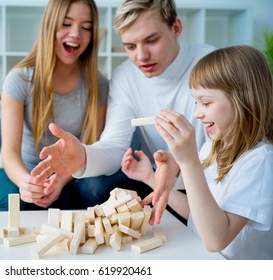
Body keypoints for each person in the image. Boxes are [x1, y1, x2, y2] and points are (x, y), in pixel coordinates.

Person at [31, 0, 215, 223]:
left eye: (152, 40)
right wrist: (83, 155)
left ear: (176, 28)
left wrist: (180, 169)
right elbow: (115, 145)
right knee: (92, 187)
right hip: (159, 179)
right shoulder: (125, 76)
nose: (141, 56)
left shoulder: (210, 64)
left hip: (208, 181)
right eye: (130, 46)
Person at [122, 45, 273, 259]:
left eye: (206, 102)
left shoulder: (261, 161)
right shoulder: (213, 147)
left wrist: (188, 161)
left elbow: (215, 240)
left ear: (243, 99)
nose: (196, 113)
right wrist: (150, 178)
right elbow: (198, 216)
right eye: (195, 102)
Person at [0, 0, 109, 211]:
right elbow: (9, 151)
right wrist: (26, 183)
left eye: (86, 27)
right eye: (66, 24)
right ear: (50, 26)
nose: (76, 34)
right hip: (15, 172)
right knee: (19, 202)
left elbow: (89, 148)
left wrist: (60, 180)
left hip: (66, 175)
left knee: (82, 197)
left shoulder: (99, 85)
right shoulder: (19, 80)